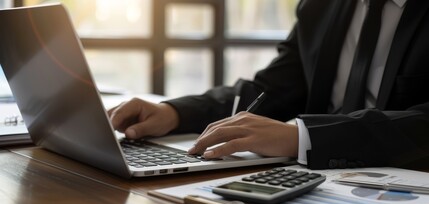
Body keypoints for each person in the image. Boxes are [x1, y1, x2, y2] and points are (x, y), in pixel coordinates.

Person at [108, 0, 429, 170]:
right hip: (318, 184)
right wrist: (176, 112)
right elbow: (272, 90)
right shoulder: (322, 7)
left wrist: (302, 136)